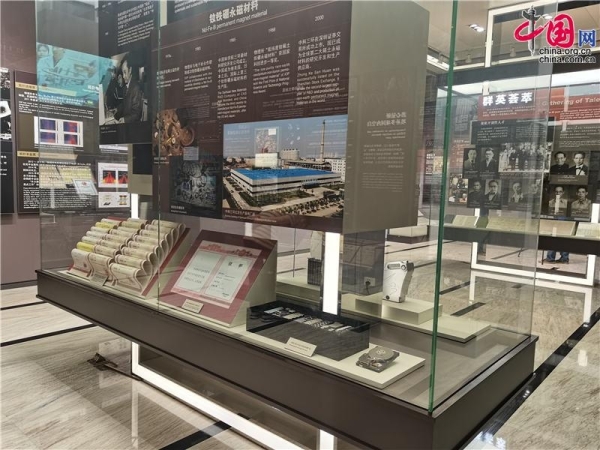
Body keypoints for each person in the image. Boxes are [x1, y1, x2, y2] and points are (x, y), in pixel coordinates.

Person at [114, 55, 143, 123]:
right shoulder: (125, 87)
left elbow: (137, 114)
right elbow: (124, 104)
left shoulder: (135, 88)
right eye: (122, 73)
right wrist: (117, 109)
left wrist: (125, 119)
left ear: (130, 70)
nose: (123, 76)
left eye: (125, 72)